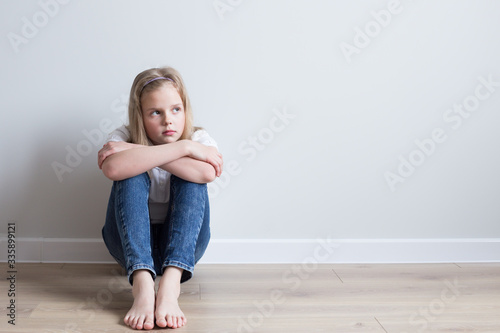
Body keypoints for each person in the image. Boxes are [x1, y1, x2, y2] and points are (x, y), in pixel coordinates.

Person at [98, 66, 223, 330]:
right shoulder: (122, 137)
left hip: (182, 246)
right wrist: (182, 151)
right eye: (156, 112)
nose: (169, 120)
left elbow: (207, 173)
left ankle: (170, 285)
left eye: (176, 109)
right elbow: (113, 168)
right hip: (129, 246)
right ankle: (143, 286)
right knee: (129, 173)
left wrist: (185, 146)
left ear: (185, 109)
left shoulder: (197, 138)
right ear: (140, 116)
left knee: (192, 179)